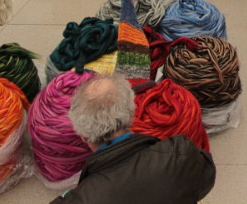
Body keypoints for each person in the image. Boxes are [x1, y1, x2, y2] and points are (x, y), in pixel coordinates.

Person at [55, 73, 216, 204]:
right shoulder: (181, 156)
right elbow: (206, 178)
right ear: (132, 114)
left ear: (83, 137)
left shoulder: (77, 199)